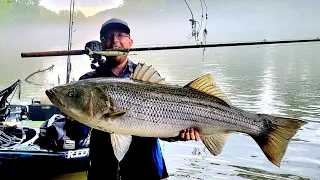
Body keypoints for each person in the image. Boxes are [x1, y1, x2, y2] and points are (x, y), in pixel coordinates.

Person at [65, 18, 200, 180]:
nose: (115, 41)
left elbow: (164, 129)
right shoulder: (87, 82)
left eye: (121, 35)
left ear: (130, 42)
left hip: (146, 169)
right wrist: (72, 118)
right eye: (109, 36)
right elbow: (77, 135)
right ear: (102, 44)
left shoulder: (147, 79)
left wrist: (180, 134)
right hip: (103, 170)